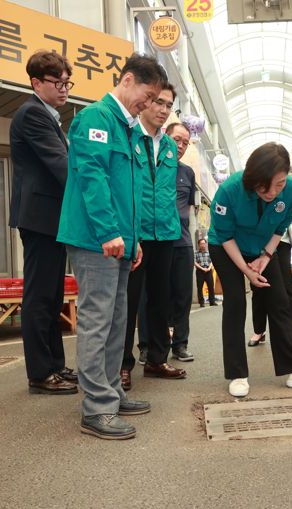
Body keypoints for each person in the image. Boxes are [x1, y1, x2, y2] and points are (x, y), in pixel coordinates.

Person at [56, 54, 167, 440]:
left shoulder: (129, 128)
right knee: (97, 320)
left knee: (118, 321)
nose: (149, 104)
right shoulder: (96, 119)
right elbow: (92, 177)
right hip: (94, 239)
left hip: (119, 242)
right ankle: (96, 408)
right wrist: (107, 232)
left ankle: (112, 392)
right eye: (148, 95)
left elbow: (132, 193)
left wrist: (133, 240)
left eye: (155, 99)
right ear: (128, 80)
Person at [208, 142, 292, 398]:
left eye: (279, 184)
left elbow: (281, 226)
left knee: (279, 300)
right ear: (253, 177)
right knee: (235, 302)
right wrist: (246, 270)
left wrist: (266, 256)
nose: (272, 192)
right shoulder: (229, 190)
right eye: (265, 185)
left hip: (264, 246)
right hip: (227, 246)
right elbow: (224, 235)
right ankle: (237, 373)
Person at [9, 50, 77, 395]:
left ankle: (55, 364)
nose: (65, 88)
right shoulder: (32, 113)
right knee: (38, 296)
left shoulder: (48, 116)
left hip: (51, 218)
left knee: (53, 295)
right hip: (38, 218)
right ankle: (39, 373)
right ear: (37, 82)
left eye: (68, 82)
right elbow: (60, 164)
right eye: (58, 82)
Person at [120, 83, 186, 392]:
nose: (162, 109)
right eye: (157, 102)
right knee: (129, 301)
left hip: (166, 233)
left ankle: (157, 359)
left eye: (168, 104)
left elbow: (169, 191)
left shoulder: (171, 147)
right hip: (137, 233)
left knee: (161, 300)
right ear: (146, 101)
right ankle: (122, 364)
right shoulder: (128, 134)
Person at [166, 122, 198, 364]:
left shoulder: (188, 172)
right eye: (177, 139)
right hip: (157, 240)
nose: (181, 146)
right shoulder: (152, 165)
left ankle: (181, 344)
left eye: (185, 142)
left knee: (183, 296)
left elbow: (189, 209)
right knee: (154, 296)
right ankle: (147, 345)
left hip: (183, 243)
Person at [248, 239, 292, 347]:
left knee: (286, 287)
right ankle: (259, 330)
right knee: (259, 286)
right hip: (261, 238)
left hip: (283, 240)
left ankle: (287, 330)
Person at [194, 238, 217, 307]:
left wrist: (209, 268)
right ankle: (201, 302)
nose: (203, 245)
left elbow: (211, 261)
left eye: (204, 243)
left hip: (208, 271)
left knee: (211, 287)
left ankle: (212, 301)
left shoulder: (209, 252)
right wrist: (202, 268)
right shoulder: (196, 253)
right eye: (201, 244)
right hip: (200, 271)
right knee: (200, 287)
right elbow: (194, 262)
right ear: (199, 245)